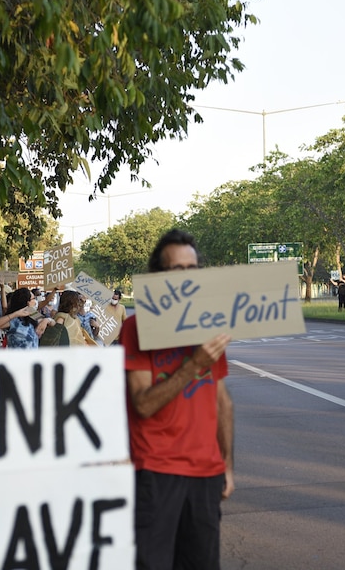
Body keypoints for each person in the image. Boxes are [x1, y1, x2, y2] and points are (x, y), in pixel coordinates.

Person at [118, 228, 234, 570]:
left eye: (192, 269)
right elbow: (143, 404)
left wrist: (226, 465)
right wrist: (194, 364)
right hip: (155, 472)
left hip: (206, 474)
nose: (186, 277)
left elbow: (222, 402)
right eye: (176, 270)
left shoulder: (209, 326)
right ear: (159, 276)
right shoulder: (137, 329)